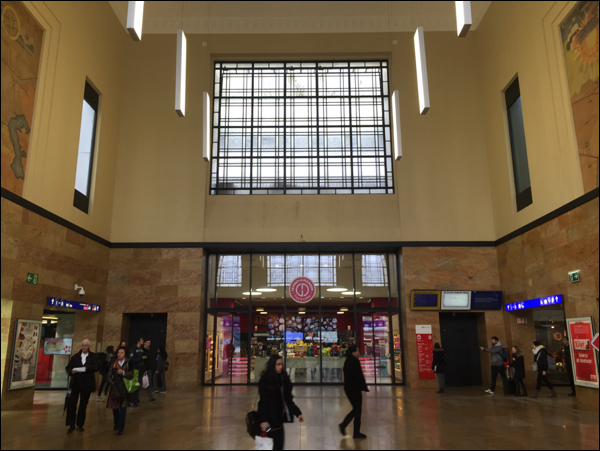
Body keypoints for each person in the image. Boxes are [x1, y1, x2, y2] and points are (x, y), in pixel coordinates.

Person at [258, 354, 304, 450]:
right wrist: (263, 420)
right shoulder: (266, 380)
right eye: (278, 364)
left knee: (279, 445)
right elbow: (263, 402)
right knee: (267, 446)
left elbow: (287, 399)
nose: (280, 367)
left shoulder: (283, 379)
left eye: (281, 364)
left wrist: (297, 413)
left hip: (279, 419)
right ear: (272, 365)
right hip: (268, 421)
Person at [65, 339, 98, 433]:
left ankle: (80, 424)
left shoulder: (93, 356)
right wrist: (71, 371)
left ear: (89, 346)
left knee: (83, 405)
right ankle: (71, 425)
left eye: (85, 345)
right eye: (82, 345)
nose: (84, 347)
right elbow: (68, 367)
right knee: (72, 404)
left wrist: (86, 368)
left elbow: (96, 367)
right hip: (75, 383)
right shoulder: (75, 357)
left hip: (87, 384)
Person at [338, 345, 369, 439]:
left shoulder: (348, 361)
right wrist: (362, 385)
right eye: (357, 351)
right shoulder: (354, 362)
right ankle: (350, 429)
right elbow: (358, 375)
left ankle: (349, 428)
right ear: (353, 352)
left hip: (349, 388)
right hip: (354, 389)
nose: (359, 353)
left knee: (356, 409)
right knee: (357, 410)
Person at [106, 346, 134, 435]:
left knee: (123, 409)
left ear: (125, 354)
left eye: (121, 352)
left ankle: (120, 428)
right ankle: (116, 424)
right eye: (118, 352)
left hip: (124, 388)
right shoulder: (114, 363)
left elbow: (132, 374)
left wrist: (124, 373)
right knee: (115, 408)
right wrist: (112, 384)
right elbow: (108, 376)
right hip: (115, 388)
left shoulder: (128, 363)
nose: (119, 354)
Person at [128, 338, 145, 406]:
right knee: (134, 385)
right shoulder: (133, 348)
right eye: (141, 340)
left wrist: (144, 369)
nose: (142, 341)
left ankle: (136, 399)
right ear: (138, 341)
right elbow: (131, 359)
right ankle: (132, 400)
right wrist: (140, 358)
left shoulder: (141, 349)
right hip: (135, 369)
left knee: (138, 385)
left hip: (140, 368)